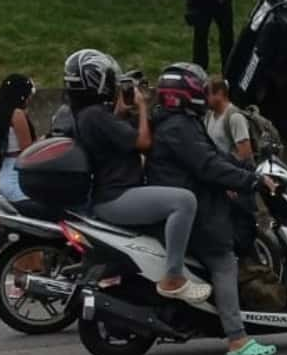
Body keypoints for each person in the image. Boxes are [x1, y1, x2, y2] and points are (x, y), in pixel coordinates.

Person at [148, 63, 279, 355]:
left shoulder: (178, 122)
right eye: (198, 89)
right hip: (198, 209)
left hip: (196, 200)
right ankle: (237, 339)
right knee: (224, 261)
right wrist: (250, 181)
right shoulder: (179, 126)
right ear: (185, 94)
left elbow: (215, 156)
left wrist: (249, 171)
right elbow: (208, 165)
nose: (202, 94)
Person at [65, 49, 209, 304]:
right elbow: (143, 142)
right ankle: (173, 277)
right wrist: (143, 107)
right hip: (117, 196)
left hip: (110, 193)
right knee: (184, 201)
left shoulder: (87, 115)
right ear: (96, 80)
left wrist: (121, 112)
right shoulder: (96, 115)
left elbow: (113, 139)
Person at [205, 75, 259, 261]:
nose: (205, 98)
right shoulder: (209, 117)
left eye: (208, 94)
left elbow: (245, 154)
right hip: (222, 182)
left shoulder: (234, 117)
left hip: (237, 185)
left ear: (220, 93)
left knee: (242, 233)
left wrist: (232, 182)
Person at [0, 74, 37, 205]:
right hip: (18, 180)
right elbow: (28, 150)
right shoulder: (17, 114)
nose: (29, 99)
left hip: (6, 175)